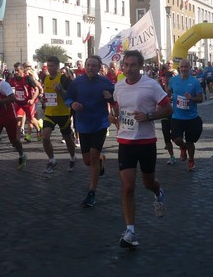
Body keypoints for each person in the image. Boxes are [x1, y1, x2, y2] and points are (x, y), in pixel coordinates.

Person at [110, 50, 172, 248]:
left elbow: (168, 109)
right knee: (128, 187)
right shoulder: (118, 86)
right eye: (126, 65)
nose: (128, 69)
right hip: (125, 142)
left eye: (133, 65)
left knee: (148, 182)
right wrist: (114, 118)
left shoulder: (151, 85)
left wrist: (149, 116)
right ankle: (130, 231)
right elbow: (119, 109)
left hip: (146, 142)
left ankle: (158, 191)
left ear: (140, 66)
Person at [65, 55, 115, 207]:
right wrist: (72, 103)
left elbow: (116, 98)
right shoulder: (77, 82)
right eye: (88, 65)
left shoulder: (105, 82)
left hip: (100, 123)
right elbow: (67, 97)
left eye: (94, 65)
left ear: (99, 68)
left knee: (92, 158)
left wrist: (111, 97)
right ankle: (100, 159)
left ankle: (91, 193)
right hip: (83, 124)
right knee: (88, 161)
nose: (90, 68)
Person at [167, 59, 203, 171]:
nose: (184, 69)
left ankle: (191, 160)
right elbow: (168, 91)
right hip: (177, 116)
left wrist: (191, 98)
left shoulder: (195, 81)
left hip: (191, 117)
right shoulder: (173, 80)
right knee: (176, 139)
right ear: (179, 68)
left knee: (190, 141)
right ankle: (182, 147)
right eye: (182, 67)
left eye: (186, 67)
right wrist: (168, 97)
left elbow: (200, 98)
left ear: (190, 68)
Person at [42, 56, 76, 173]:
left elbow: (72, 94)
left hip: (63, 114)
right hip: (49, 113)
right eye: (48, 66)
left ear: (57, 66)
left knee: (67, 138)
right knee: (45, 137)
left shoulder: (63, 79)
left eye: (52, 66)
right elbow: (46, 94)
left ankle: (72, 157)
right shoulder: (45, 78)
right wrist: (43, 99)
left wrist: (61, 90)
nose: (50, 68)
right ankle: (52, 160)